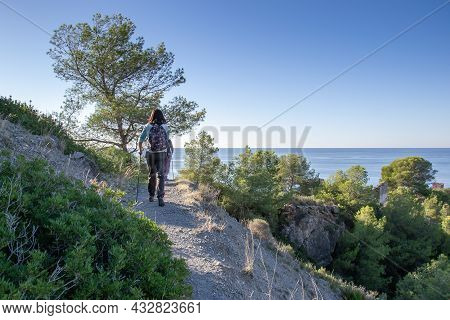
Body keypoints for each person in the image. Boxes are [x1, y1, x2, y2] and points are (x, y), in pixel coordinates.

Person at [138, 109, 169, 207]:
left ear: (152, 116)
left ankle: (151, 195)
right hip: (162, 153)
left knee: (152, 174)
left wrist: (140, 150)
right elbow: (167, 140)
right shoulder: (166, 126)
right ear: (162, 116)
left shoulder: (147, 126)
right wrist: (168, 151)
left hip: (150, 153)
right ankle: (160, 197)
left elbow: (140, 139)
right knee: (161, 175)